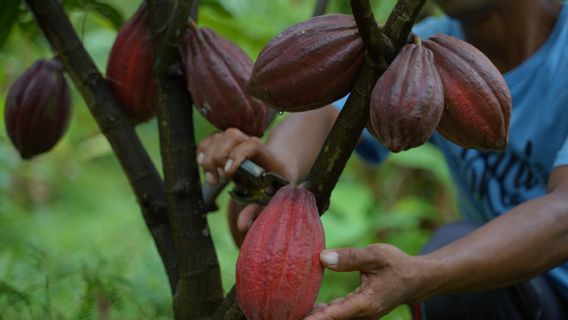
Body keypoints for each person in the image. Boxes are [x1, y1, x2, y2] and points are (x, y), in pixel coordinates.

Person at [197, 0, 568, 318]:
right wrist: (277, 167)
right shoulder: (424, 50)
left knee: (454, 262)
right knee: (466, 287)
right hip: (520, 292)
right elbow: (326, 114)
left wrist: (423, 273)